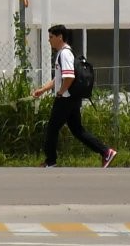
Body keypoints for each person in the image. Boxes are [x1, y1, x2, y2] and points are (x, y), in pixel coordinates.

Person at [29, 24, 115, 168]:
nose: (49, 41)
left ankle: (50, 161)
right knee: (77, 130)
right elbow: (59, 78)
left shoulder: (64, 54)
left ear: (59, 37)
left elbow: (69, 77)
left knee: (52, 128)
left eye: (51, 37)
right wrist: (43, 90)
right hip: (70, 98)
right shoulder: (64, 53)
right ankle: (106, 152)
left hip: (66, 98)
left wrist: (60, 93)